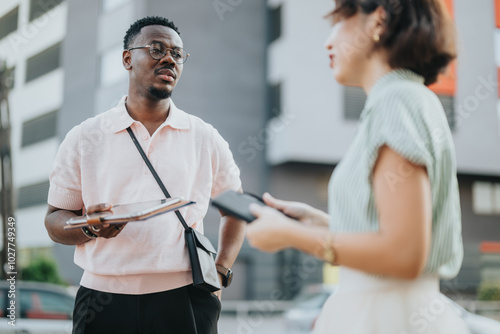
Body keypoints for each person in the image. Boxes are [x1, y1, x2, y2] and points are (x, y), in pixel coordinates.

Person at [246, 1, 470, 333]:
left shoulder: (396, 102)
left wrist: (291, 235)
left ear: (378, 20)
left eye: (338, 21)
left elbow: (404, 254)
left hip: (387, 317)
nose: (328, 40)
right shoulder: (405, 99)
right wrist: (318, 223)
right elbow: (393, 234)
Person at [45, 16, 245, 334]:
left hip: (184, 299)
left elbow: (237, 209)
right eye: (156, 48)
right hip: (102, 301)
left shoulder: (204, 136)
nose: (169, 58)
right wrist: (90, 229)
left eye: (177, 54)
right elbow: (55, 219)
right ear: (127, 58)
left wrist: (220, 270)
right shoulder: (86, 136)